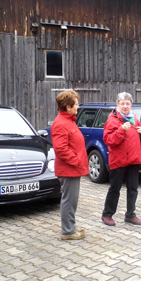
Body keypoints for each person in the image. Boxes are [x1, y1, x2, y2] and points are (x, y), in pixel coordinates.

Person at [101, 92, 141, 226]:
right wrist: (121, 129)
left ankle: (130, 214)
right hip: (119, 161)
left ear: (131, 105)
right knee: (115, 189)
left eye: (128, 103)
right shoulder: (112, 120)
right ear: (117, 105)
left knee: (133, 189)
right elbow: (108, 140)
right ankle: (107, 214)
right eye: (122, 104)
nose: (125, 106)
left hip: (133, 160)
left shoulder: (133, 118)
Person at [51, 90, 89, 240]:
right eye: (76, 104)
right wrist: (76, 161)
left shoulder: (68, 121)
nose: (78, 107)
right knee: (69, 199)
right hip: (69, 169)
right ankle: (68, 231)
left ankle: (70, 225)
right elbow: (61, 149)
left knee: (72, 200)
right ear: (68, 107)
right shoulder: (61, 123)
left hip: (72, 168)